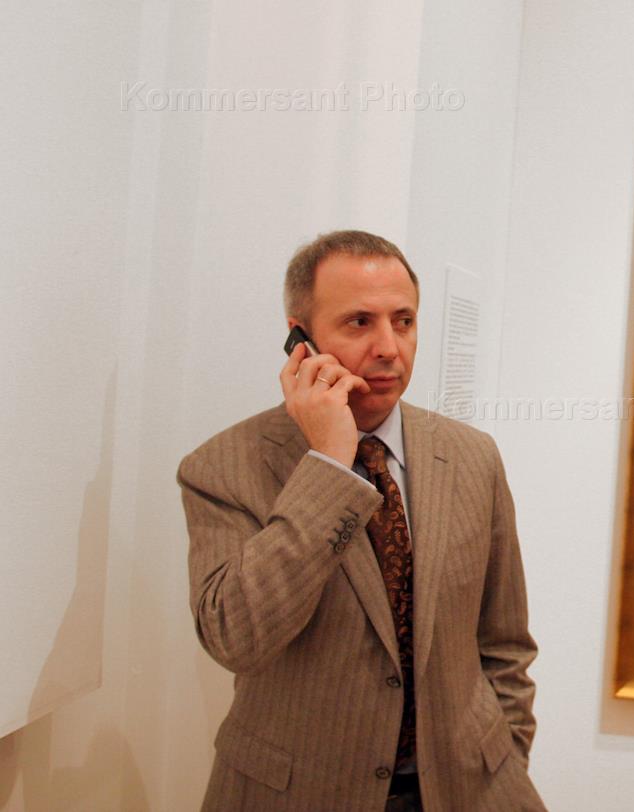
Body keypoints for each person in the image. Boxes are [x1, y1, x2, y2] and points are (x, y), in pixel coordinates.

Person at [178, 230, 544, 811]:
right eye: (359, 323)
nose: (389, 348)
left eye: (404, 321)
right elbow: (236, 639)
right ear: (301, 339)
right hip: (299, 797)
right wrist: (329, 464)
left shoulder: (472, 457)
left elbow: (504, 643)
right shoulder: (224, 467)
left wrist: (504, 757)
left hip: (465, 790)